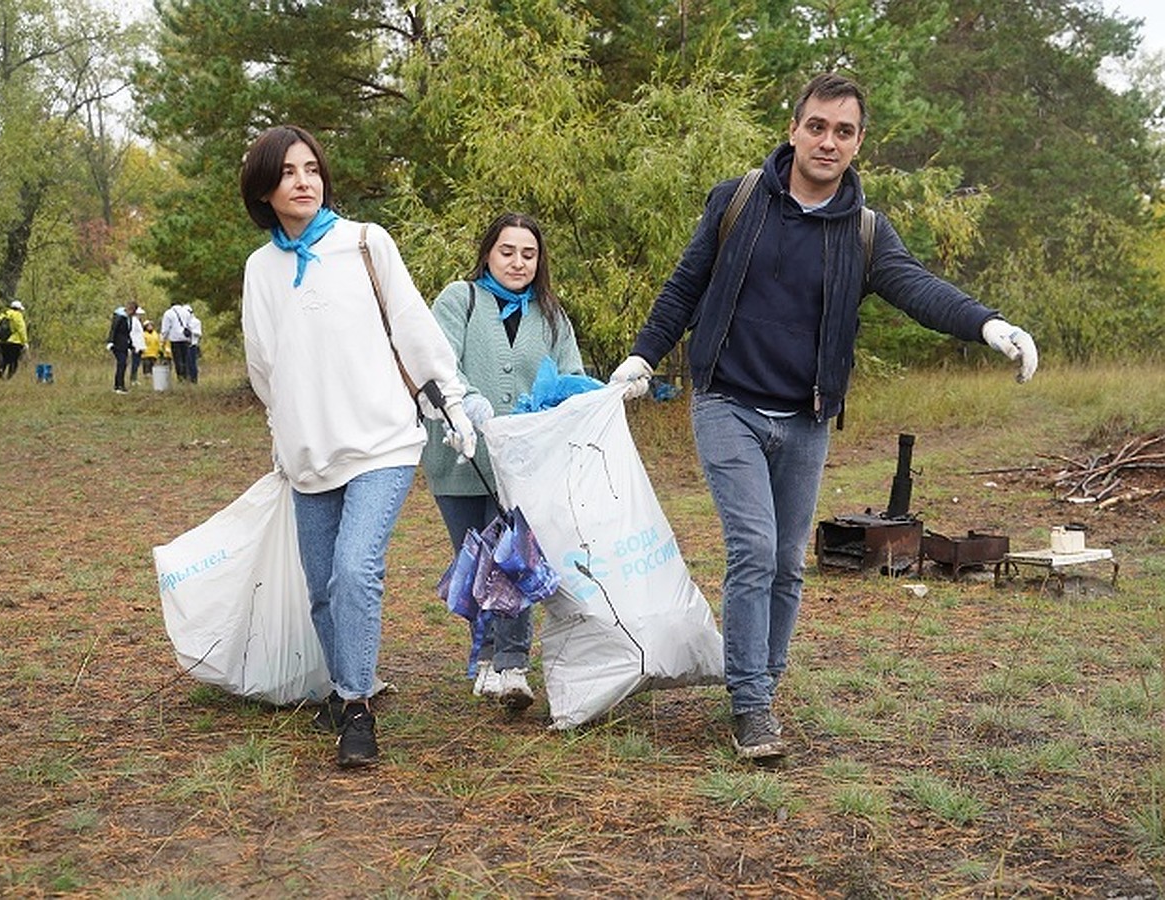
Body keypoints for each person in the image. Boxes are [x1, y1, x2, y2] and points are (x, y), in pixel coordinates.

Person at [609, 72, 1039, 761]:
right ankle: (750, 705)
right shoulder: (740, 201)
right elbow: (686, 285)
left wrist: (988, 325)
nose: (828, 141)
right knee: (752, 550)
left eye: (844, 130)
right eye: (817, 126)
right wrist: (643, 356)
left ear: (858, 142)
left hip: (806, 418)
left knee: (787, 560)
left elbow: (918, 290)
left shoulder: (865, 232)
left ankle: (763, 684)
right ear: (794, 129)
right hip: (728, 402)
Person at [239, 124, 476, 769]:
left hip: (383, 441)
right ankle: (350, 681)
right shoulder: (260, 270)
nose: (304, 180)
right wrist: (280, 437)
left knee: (354, 570)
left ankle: (355, 707)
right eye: (288, 172)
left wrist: (450, 399)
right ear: (264, 187)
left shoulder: (365, 243)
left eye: (311, 168)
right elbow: (265, 365)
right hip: (309, 454)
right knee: (322, 587)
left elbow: (412, 326)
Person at [423, 212, 585, 711]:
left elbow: (571, 375)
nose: (518, 262)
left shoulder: (552, 315)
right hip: (459, 459)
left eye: (529, 254)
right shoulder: (460, 299)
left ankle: (513, 663)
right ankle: (487, 655)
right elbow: (437, 360)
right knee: (474, 561)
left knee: (513, 557)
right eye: (508, 251)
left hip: (522, 465)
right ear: (488, 253)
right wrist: (467, 402)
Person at [0, 300, 28, 379]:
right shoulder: (18, 315)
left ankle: (0, 375)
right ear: (19, 309)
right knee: (13, 361)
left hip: (1, 342)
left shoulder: (3, 314)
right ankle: (9, 378)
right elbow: (22, 329)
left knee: (4, 359)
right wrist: (25, 342)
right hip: (15, 343)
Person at [106, 301, 137, 393]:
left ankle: (118, 385)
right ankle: (119, 386)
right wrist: (110, 342)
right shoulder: (119, 317)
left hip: (124, 345)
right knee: (122, 363)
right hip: (117, 344)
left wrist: (131, 345)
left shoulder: (128, 319)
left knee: (123, 364)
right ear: (130, 309)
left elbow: (127, 333)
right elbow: (113, 329)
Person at [160, 302, 193, 382]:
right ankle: (186, 375)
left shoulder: (168, 313)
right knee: (185, 358)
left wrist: (163, 339)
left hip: (175, 338)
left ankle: (180, 377)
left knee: (177, 358)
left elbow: (165, 328)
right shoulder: (186, 312)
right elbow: (190, 325)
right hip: (185, 338)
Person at [129, 306, 146, 385]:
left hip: (139, 345)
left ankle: (134, 379)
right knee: (135, 363)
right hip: (135, 345)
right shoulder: (133, 321)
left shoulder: (138, 321)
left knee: (137, 363)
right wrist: (134, 345)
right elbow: (132, 333)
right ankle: (133, 379)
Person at [186, 312, 202, 383]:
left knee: (193, 363)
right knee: (187, 363)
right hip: (185, 344)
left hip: (193, 345)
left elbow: (199, 333)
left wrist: (191, 331)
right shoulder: (184, 321)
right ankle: (188, 379)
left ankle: (194, 379)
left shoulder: (196, 321)